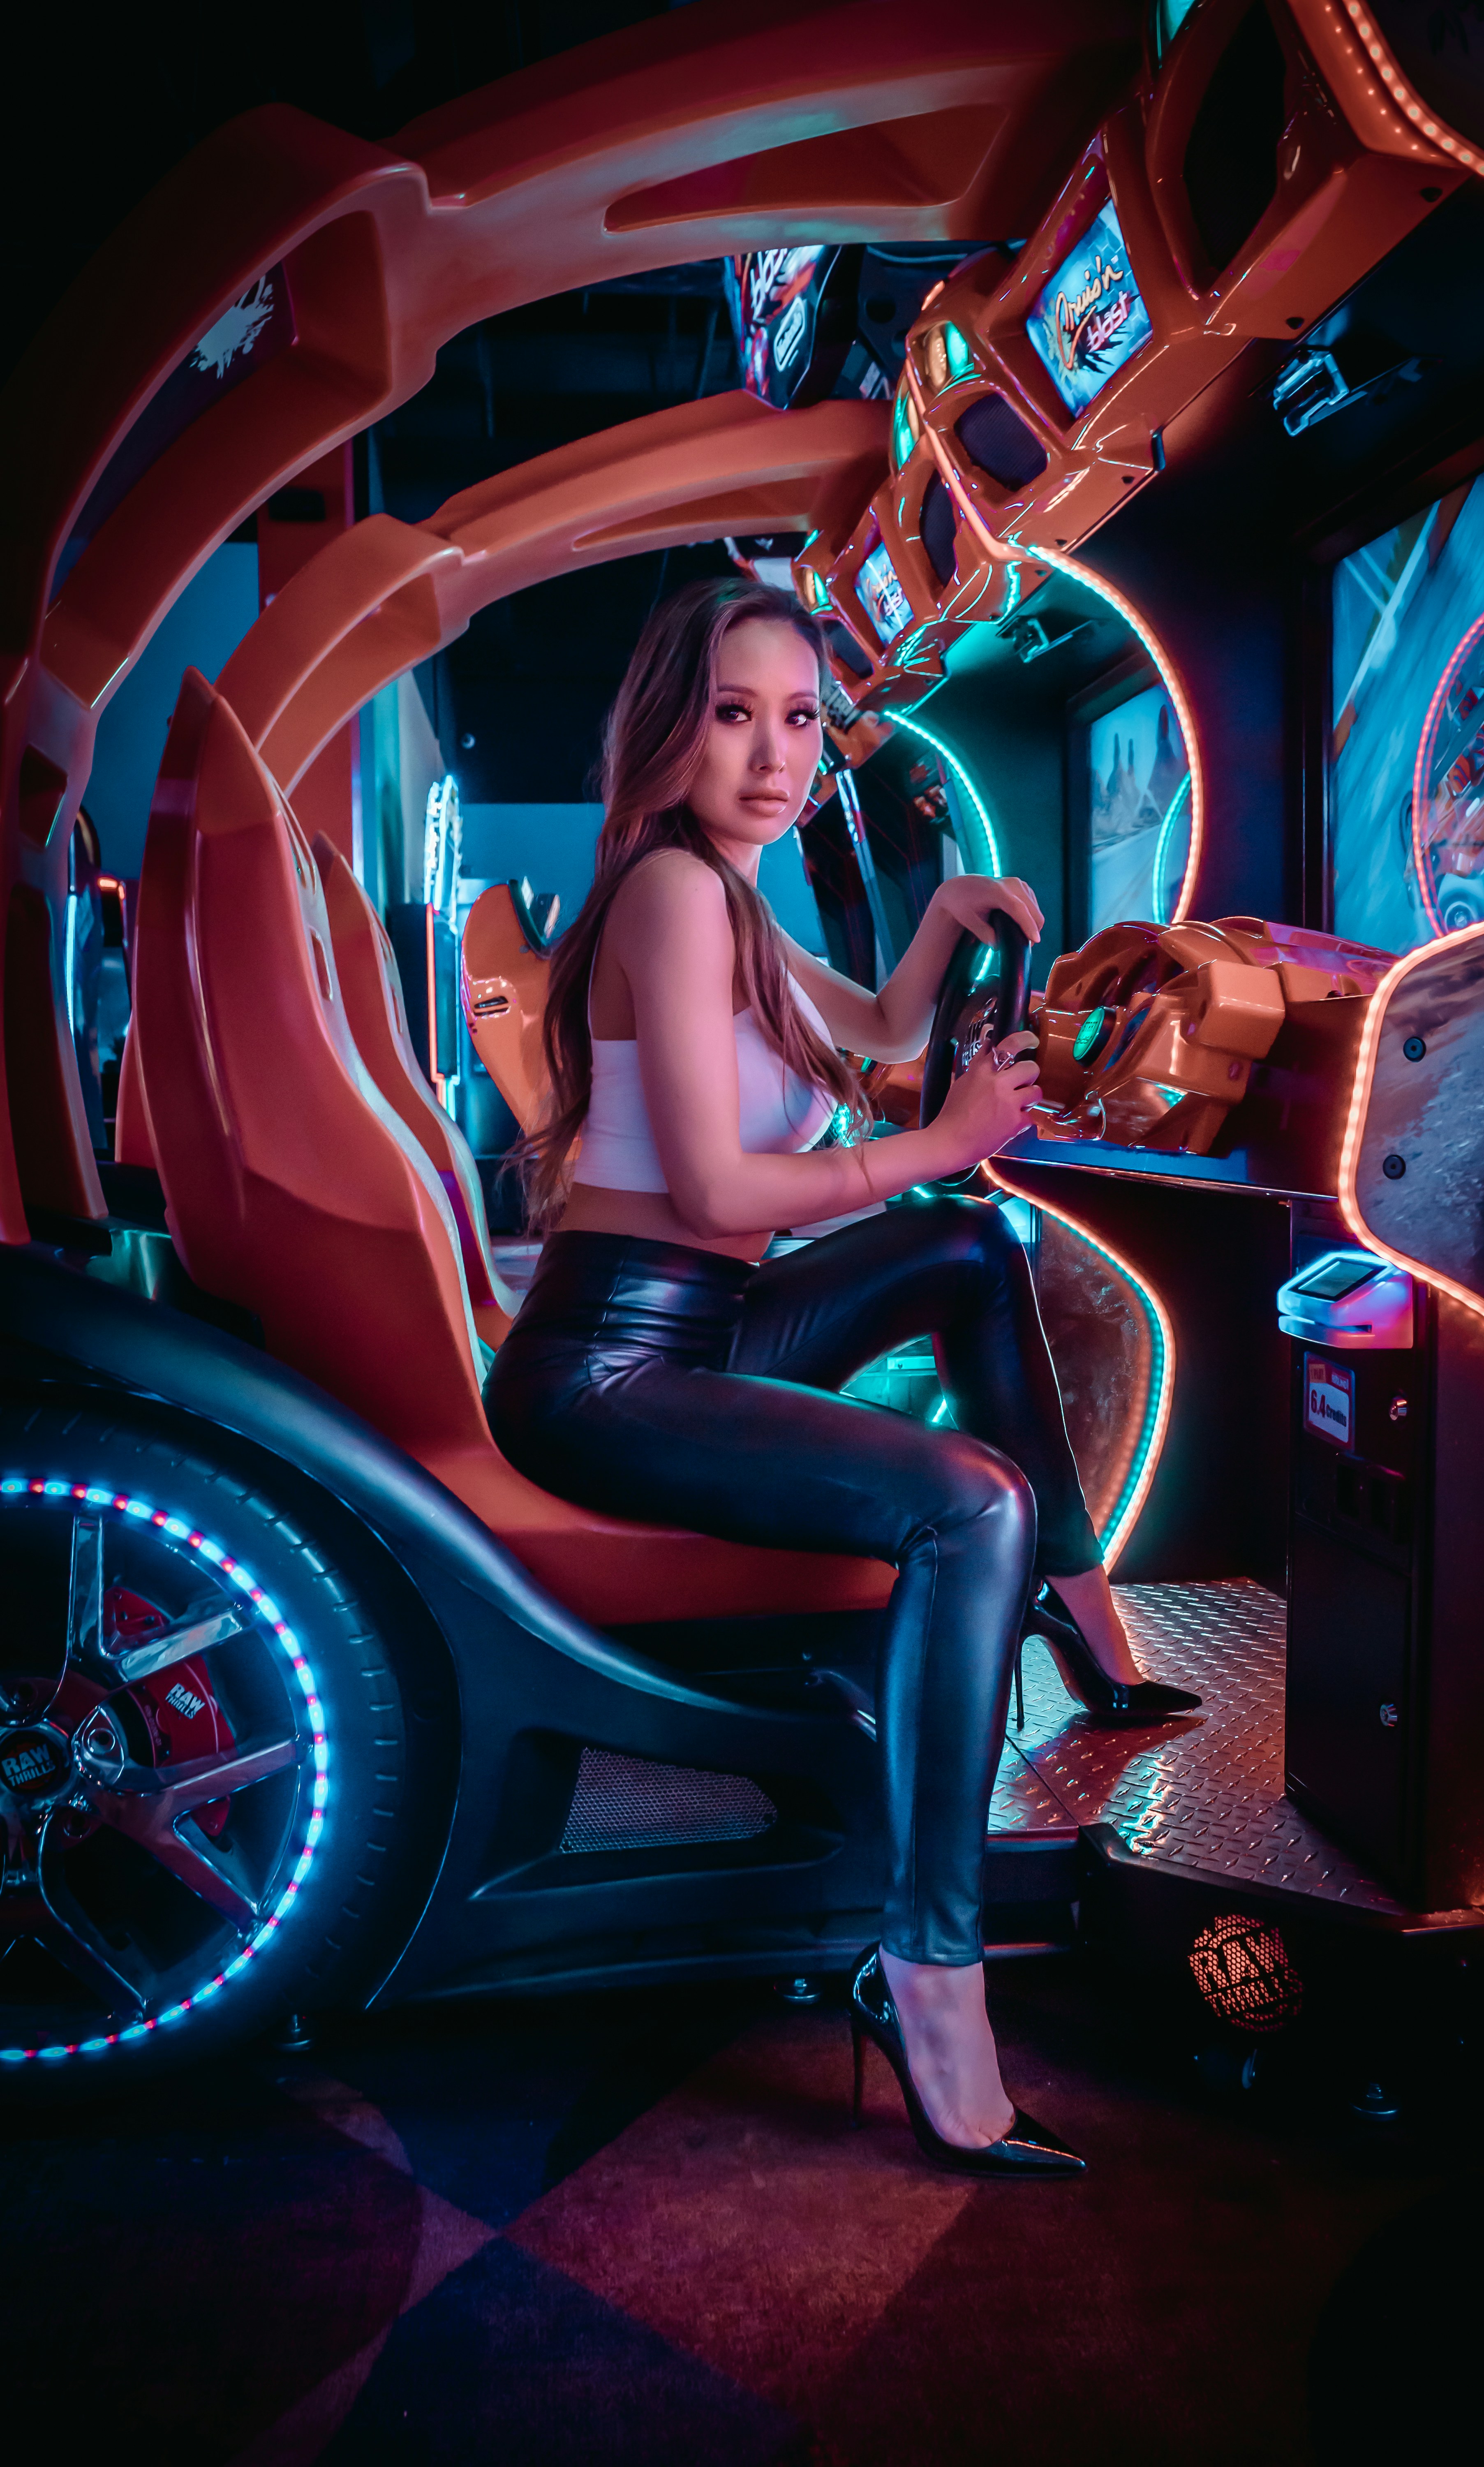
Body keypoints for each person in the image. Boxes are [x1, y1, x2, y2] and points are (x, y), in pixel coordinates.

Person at [484, 575, 1197, 2175]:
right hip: (606, 1367)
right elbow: (728, 1192)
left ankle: (1088, 1621)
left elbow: (868, 1035)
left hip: (699, 1325)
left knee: (966, 1248)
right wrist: (941, 1138)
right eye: (734, 716)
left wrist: (946, 926)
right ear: (669, 727)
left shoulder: (736, 902)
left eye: (800, 720)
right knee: (966, 1503)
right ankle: (929, 1966)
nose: (771, 756)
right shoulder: (668, 892)